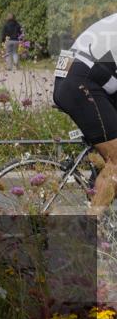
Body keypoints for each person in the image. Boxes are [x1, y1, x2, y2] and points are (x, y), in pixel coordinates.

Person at [52, 13, 117, 214]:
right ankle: (95, 231)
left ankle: (98, 185)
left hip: (74, 74)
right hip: (81, 80)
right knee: (116, 160)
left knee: (109, 152)